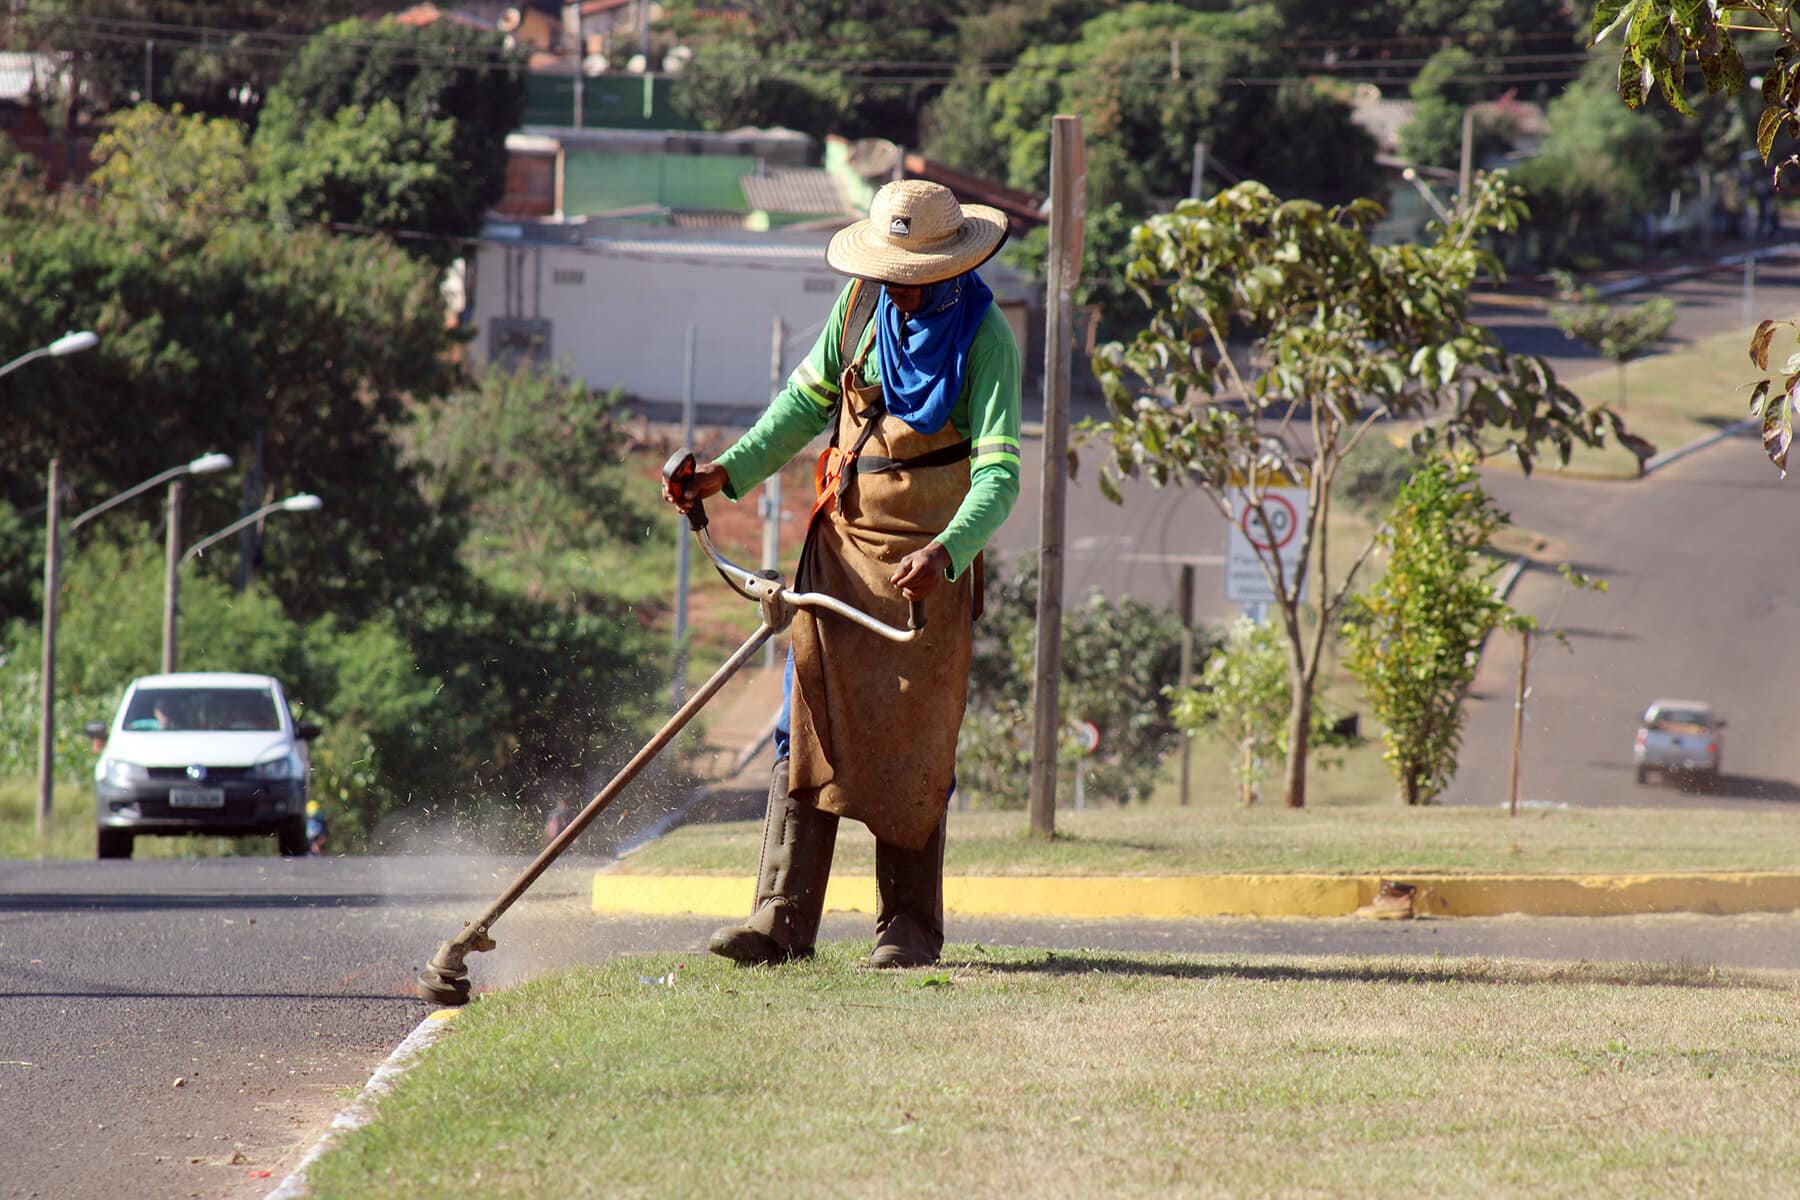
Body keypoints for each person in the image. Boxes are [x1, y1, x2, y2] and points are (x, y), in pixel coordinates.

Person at [661, 180, 1022, 969]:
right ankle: (781, 921)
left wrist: (948, 552)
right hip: (842, 551)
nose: (895, 286)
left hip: (928, 570)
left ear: (950, 269)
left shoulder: (987, 341)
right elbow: (802, 403)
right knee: (805, 728)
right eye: (888, 270)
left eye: (909, 275)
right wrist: (725, 474)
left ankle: (908, 931)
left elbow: (999, 479)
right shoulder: (860, 310)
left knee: (916, 740)